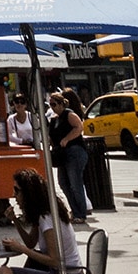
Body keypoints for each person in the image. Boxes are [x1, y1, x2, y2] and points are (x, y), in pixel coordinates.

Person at [48, 88, 93, 224]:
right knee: (63, 183)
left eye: (55, 104)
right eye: (51, 105)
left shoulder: (69, 114)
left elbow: (79, 127)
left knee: (75, 183)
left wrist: (67, 139)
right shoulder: (54, 119)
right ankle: (75, 210)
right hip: (61, 154)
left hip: (74, 151)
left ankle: (80, 213)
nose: (53, 107)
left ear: (62, 104)